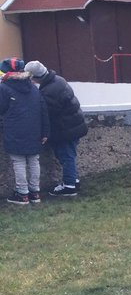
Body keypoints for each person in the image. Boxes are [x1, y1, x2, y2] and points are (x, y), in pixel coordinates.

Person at [24, 61, 87, 197]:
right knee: (69, 155)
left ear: (35, 77)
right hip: (74, 125)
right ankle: (73, 180)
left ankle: (69, 186)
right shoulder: (58, 80)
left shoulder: (49, 91)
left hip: (65, 129)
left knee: (66, 156)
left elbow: (47, 113)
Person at [0, 58, 49, 205]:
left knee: (19, 161)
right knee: (34, 160)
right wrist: (45, 132)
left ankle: (22, 194)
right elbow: (43, 110)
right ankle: (35, 192)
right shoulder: (33, 87)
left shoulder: (3, 88)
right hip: (35, 129)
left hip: (15, 130)